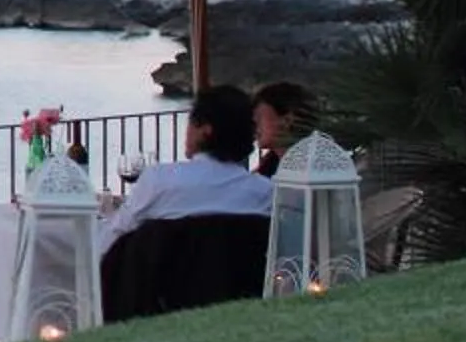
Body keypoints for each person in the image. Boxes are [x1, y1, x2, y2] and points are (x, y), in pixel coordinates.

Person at [101, 83, 271, 251]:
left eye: (190, 123)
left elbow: (112, 240)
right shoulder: (266, 193)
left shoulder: (159, 181)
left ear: (205, 130)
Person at [252, 80, 314, 179]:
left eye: (259, 117)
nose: (254, 123)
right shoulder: (267, 167)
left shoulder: (313, 170)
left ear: (287, 120)